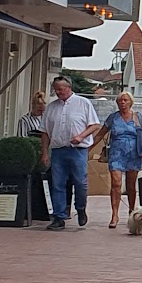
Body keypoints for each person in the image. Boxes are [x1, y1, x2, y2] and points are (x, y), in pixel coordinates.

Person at [39, 76, 100, 230]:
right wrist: (44, 152)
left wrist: (81, 136)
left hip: (78, 150)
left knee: (80, 182)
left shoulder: (83, 103)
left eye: (60, 89)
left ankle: (80, 208)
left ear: (68, 88)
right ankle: (59, 217)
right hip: (58, 150)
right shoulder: (51, 108)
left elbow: (94, 125)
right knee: (58, 183)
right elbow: (44, 131)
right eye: (56, 90)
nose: (58, 92)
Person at [100, 92, 142, 230]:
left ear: (130, 102)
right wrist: (88, 149)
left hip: (134, 153)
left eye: (125, 100)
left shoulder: (137, 116)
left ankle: (132, 211)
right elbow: (100, 134)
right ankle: (114, 215)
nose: (122, 102)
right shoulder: (113, 117)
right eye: (120, 100)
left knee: (131, 185)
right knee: (116, 183)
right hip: (117, 153)